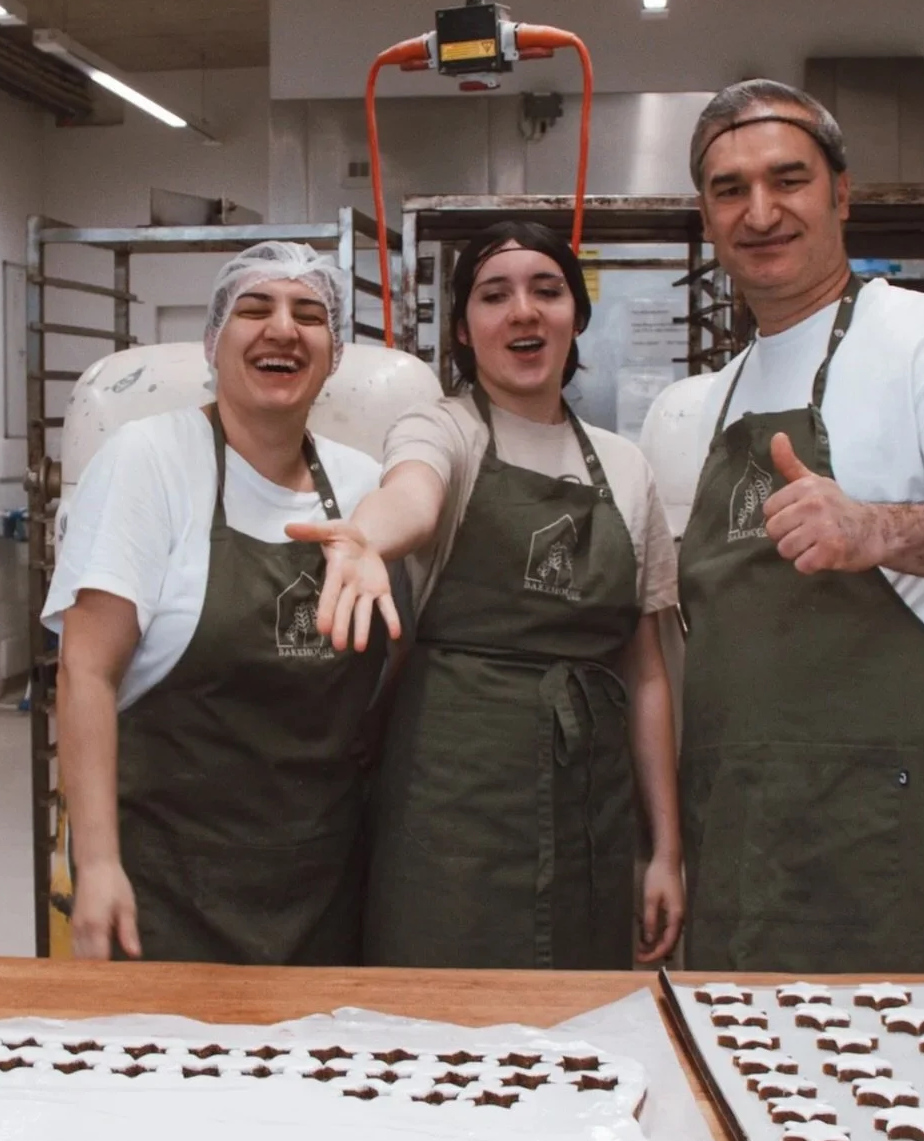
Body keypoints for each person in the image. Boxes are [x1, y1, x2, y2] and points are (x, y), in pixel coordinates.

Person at [670, 80, 924, 974]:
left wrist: (879, 530)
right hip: (746, 835)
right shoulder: (716, 397)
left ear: (841, 194)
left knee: (917, 1096)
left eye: (788, 179)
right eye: (730, 189)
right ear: (706, 217)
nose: (760, 211)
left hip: (897, 840)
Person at [289, 221, 685, 969]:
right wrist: (366, 536)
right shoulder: (444, 431)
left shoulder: (628, 470)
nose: (524, 312)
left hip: (588, 813)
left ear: (577, 315)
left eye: (547, 290)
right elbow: (415, 492)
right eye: (494, 295)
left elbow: (648, 673)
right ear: (466, 332)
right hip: (451, 812)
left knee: (580, 1029)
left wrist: (662, 849)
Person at [46, 241, 391, 964]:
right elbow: (85, 672)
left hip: (325, 882)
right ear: (213, 342)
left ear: (332, 356)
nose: (283, 329)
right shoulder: (149, 461)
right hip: (169, 888)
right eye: (254, 308)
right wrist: (100, 864)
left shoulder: (364, 489)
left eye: (309, 314)